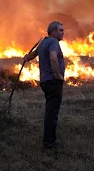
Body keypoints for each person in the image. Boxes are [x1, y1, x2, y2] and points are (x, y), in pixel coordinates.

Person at [23, 21, 65, 149]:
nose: (63, 32)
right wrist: (58, 75)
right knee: (52, 114)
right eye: (60, 30)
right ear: (53, 32)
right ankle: (49, 144)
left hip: (45, 82)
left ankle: (50, 139)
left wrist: (26, 57)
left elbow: (33, 54)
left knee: (50, 112)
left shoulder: (43, 42)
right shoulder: (53, 42)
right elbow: (53, 58)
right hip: (53, 82)